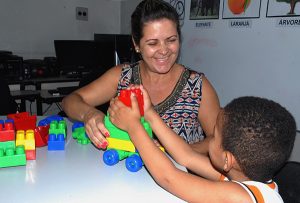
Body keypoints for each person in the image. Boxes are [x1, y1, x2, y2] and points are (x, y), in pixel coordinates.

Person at [62, 0, 220, 152]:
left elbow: (219, 140)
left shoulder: (197, 86)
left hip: (181, 177)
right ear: (136, 44)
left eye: (171, 40)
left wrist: (179, 152)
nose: (164, 50)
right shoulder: (123, 76)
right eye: (153, 43)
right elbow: (71, 100)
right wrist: (90, 114)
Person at [108, 85, 296, 203]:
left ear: (227, 159)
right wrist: (149, 113)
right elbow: (186, 156)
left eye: (214, 136)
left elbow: (169, 178)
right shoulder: (243, 178)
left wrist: (133, 127)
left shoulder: (240, 198)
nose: (209, 139)